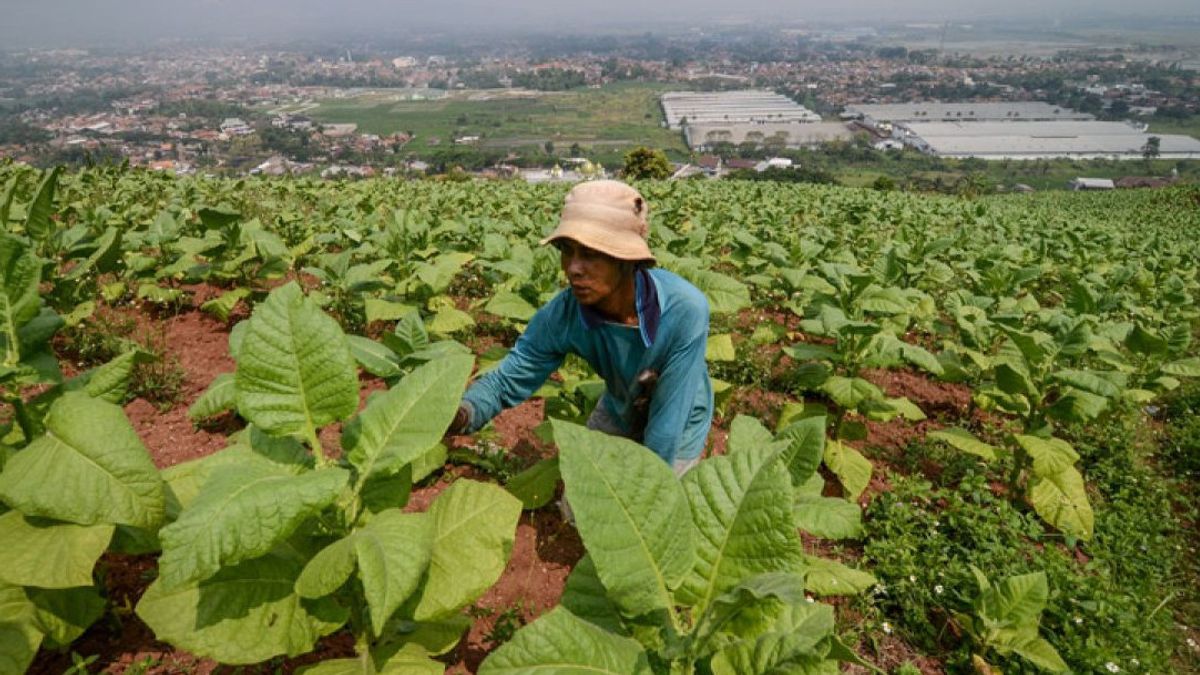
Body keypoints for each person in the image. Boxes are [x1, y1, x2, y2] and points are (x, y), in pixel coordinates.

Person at [449, 180, 713, 476]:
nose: (573, 268)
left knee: (651, 506)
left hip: (680, 419)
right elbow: (508, 378)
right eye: (567, 250)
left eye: (590, 254)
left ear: (627, 260)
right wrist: (462, 414)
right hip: (621, 405)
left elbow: (666, 430)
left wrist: (647, 493)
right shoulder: (564, 315)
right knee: (577, 509)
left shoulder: (683, 311)